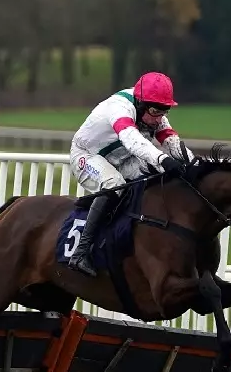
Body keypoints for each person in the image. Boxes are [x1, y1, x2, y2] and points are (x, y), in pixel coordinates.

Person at [66, 71, 194, 277]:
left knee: (156, 174)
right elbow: (133, 140)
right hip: (86, 156)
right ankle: (80, 252)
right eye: (154, 112)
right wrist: (163, 159)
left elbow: (170, 140)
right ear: (140, 103)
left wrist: (192, 163)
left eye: (164, 112)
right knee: (113, 182)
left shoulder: (153, 110)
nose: (157, 119)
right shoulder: (119, 107)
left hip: (121, 159)